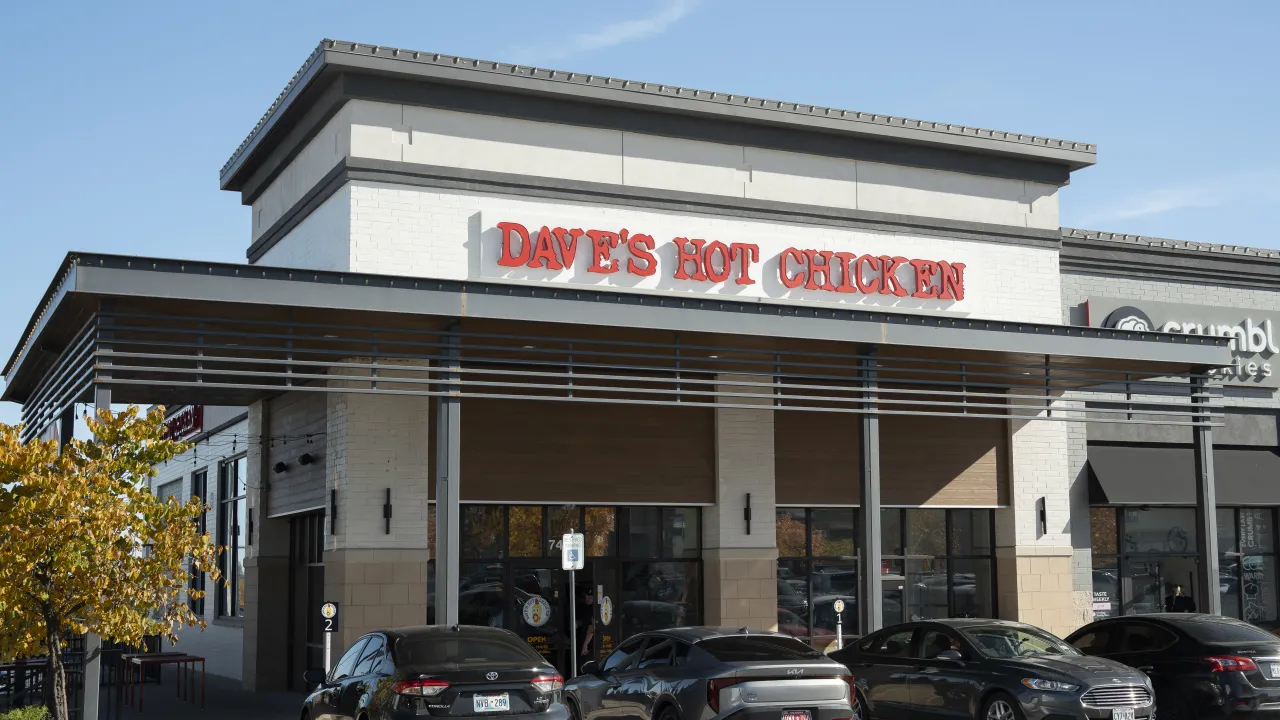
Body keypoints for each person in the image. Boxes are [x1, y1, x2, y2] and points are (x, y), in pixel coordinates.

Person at [576, 590, 596, 663]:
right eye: (587, 597)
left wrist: (585, 644)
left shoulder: (594, 610)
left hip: (589, 644)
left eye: (590, 597)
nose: (588, 599)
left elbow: (591, 628)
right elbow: (586, 622)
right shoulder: (587, 609)